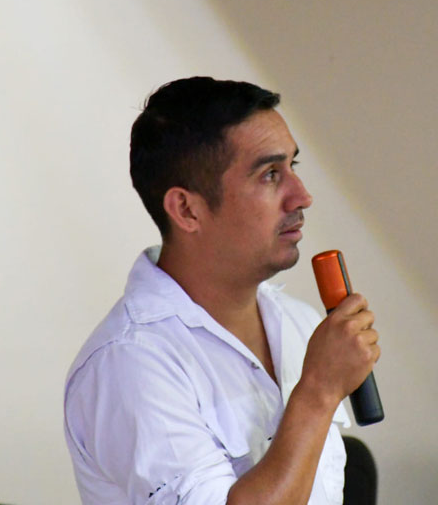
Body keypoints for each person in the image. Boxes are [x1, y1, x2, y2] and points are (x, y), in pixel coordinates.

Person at [63, 77, 381, 505]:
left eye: (293, 166)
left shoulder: (300, 322)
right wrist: (318, 392)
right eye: (270, 175)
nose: (302, 196)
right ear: (187, 209)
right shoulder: (130, 362)